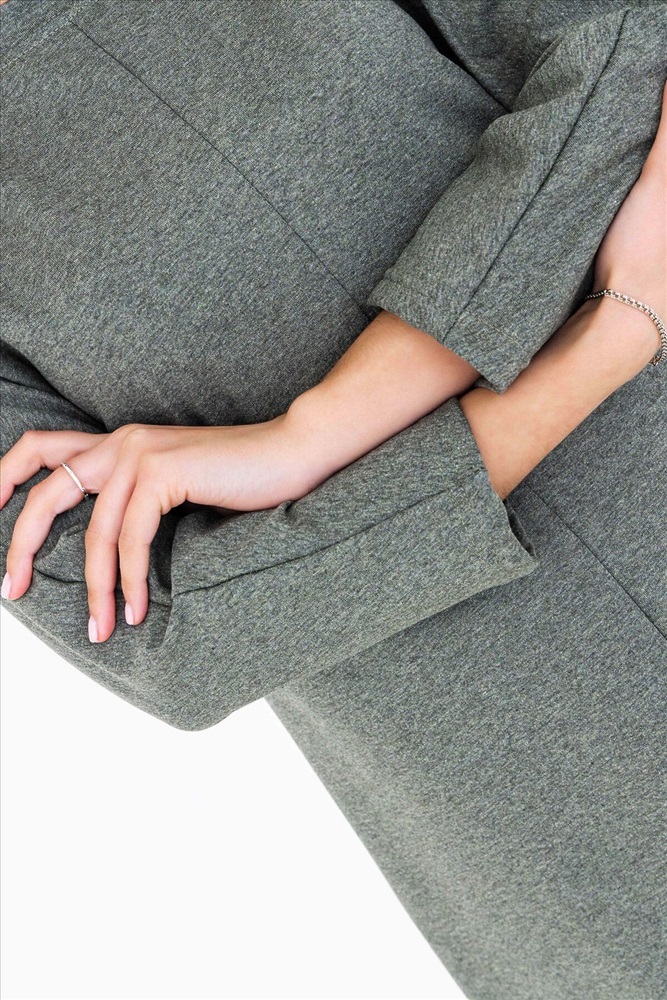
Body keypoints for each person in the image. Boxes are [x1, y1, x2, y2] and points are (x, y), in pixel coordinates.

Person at [1, 1, 665, 997]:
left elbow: (619, 45)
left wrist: (314, 436)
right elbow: (171, 638)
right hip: (552, 815)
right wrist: (602, 343)